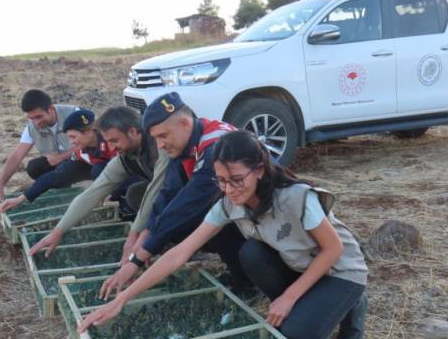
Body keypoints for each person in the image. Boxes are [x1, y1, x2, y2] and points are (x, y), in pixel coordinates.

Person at [78, 130, 369, 339]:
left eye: (237, 180)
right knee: (251, 254)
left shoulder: (296, 197)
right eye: (221, 181)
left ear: (259, 170)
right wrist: (120, 300)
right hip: (300, 264)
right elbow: (179, 253)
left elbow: (333, 250)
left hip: (338, 270)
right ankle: (313, 304)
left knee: (293, 334)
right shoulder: (228, 204)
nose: (229, 190)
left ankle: (351, 303)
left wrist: (289, 297)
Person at [97, 92, 251, 298]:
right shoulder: (190, 141)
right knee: (176, 226)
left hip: (266, 220)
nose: (159, 145)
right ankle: (238, 271)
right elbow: (168, 193)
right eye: (155, 138)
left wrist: (138, 258)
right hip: (239, 212)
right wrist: (145, 234)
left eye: (163, 136)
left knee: (212, 223)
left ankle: (248, 282)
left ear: (185, 123)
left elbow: (186, 205)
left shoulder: (216, 146)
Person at [28, 105, 168, 260]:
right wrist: (58, 232)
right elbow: (92, 193)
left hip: (188, 194)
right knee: (135, 194)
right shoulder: (125, 157)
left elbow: (156, 190)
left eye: (115, 140)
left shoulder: (159, 146)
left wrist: (134, 235)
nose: (112, 147)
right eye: (109, 141)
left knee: (146, 198)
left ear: (133, 132)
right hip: (165, 193)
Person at [0, 108, 123, 212]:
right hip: (105, 174)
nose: (71, 142)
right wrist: (21, 199)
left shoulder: (113, 142)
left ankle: (120, 202)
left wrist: (113, 193)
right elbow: (55, 175)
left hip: (130, 179)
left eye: (73, 137)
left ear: (89, 132)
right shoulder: (82, 151)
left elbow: (131, 169)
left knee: (100, 170)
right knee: (66, 169)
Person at [0, 89, 79, 207]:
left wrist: (61, 157)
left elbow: (93, 143)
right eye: (32, 118)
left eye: (39, 117)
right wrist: (0, 185)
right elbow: (16, 156)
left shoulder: (75, 114)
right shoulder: (32, 127)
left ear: (50, 109)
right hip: (60, 165)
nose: (36, 122)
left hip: (83, 161)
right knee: (34, 167)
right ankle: (63, 192)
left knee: (68, 167)